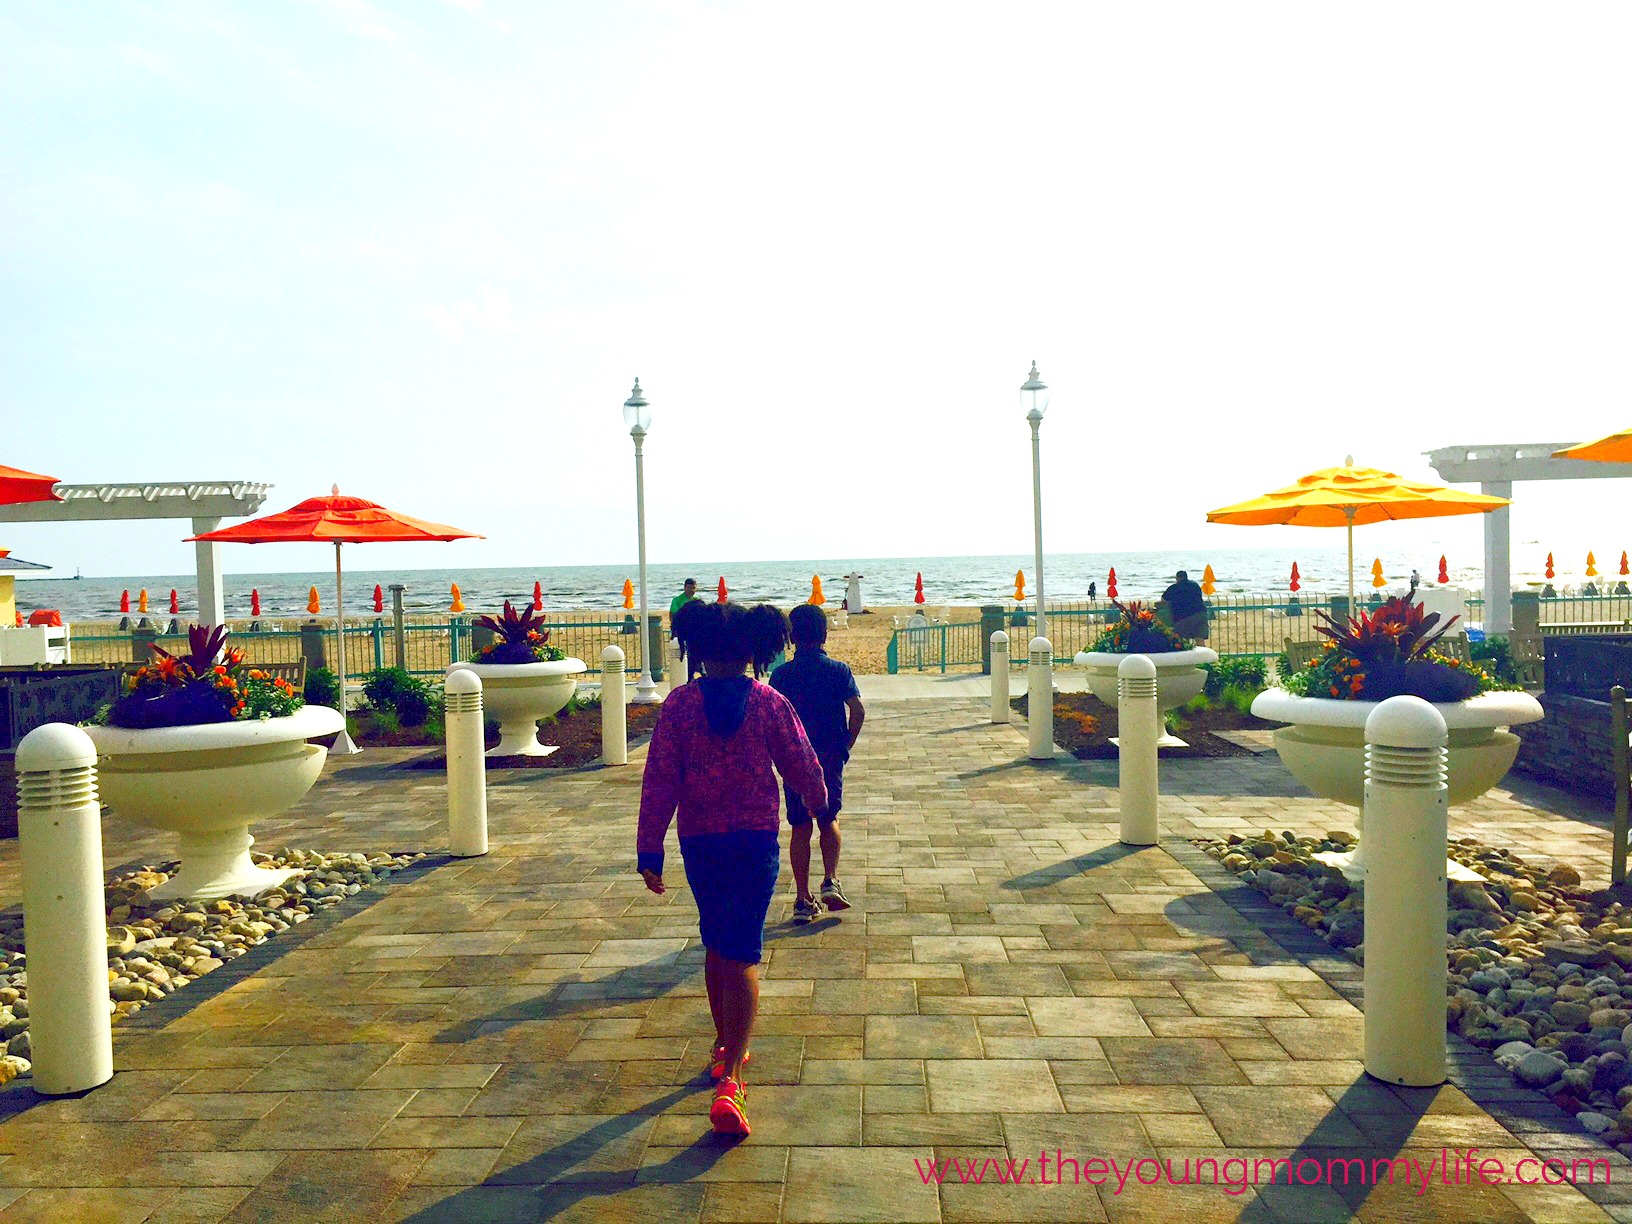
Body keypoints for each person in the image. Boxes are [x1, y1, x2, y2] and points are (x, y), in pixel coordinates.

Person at [637, 601, 827, 1138]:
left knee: (718, 944)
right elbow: (801, 760)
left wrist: (649, 849)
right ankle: (733, 1080)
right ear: (753, 651)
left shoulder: (678, 706)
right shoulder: (768, 701)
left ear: (696, 650)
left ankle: (725, 1048)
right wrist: (820, 803)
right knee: (742, 949)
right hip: (754, 841)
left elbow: (659, 780)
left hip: (700, 842)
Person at [770, 604, 865, 923]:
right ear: (824, 634)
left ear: (793, 637)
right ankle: (830, 880)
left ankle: (801, 897)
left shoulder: (781, 675)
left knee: (799, 825)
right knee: (828, 817)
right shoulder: (839, 670)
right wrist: (845, 745)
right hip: (828, 756)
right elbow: (858, 710)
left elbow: (772, 719)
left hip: (794, 759)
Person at [669, 578, 704, 682]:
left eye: (693, 588)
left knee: (697, 651)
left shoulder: (697, 599)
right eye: (689, 587)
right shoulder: (678, 600)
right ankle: (688, 674)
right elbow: (673, 615)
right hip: (683, 631)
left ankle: (698, 670)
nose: (691, 590)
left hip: (696, 631)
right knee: (684, 652)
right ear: (685, 587)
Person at [1160, 570, 1208, 640]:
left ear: (1177, 578)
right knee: (1200, 639)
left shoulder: (1174, 588)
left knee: (1181, 639)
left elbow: (1163, 600)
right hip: (1201, 614)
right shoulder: (1195, 585)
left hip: (1184, 617)